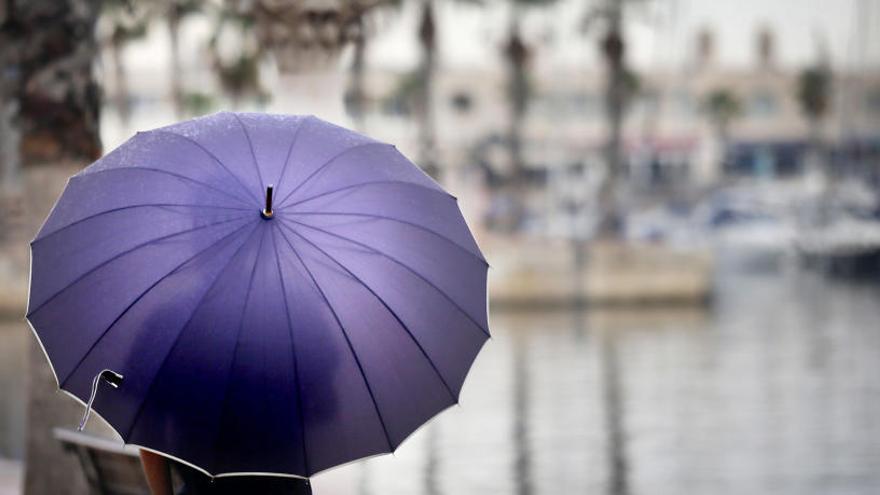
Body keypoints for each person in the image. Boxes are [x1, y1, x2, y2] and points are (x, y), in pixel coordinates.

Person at [140, 450, 312, 495]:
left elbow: (150, 445)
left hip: (202, 487)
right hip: (281, 485)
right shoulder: (291, 363)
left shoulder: (173, 364)